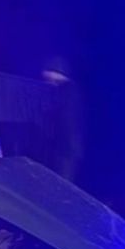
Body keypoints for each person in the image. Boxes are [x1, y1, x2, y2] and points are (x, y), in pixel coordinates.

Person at [40, 56, 85, 185]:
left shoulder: (68, 91)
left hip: (66, 147)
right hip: (65, 146)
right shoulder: (65, 91)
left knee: (63, 181)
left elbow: (68, 122)